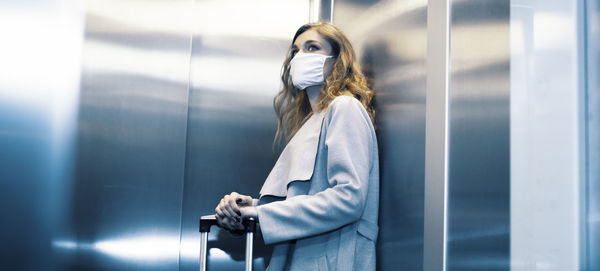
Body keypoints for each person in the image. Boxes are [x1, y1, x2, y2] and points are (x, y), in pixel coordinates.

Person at [215, 22, 379, 271]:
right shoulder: (311, 123)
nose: (300, 57)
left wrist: (261, 215)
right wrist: (251, 207)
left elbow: (348, 198)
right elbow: (305, 200)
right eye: (295, 51)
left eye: (312, 48)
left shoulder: (344, 108)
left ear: (337, 60)